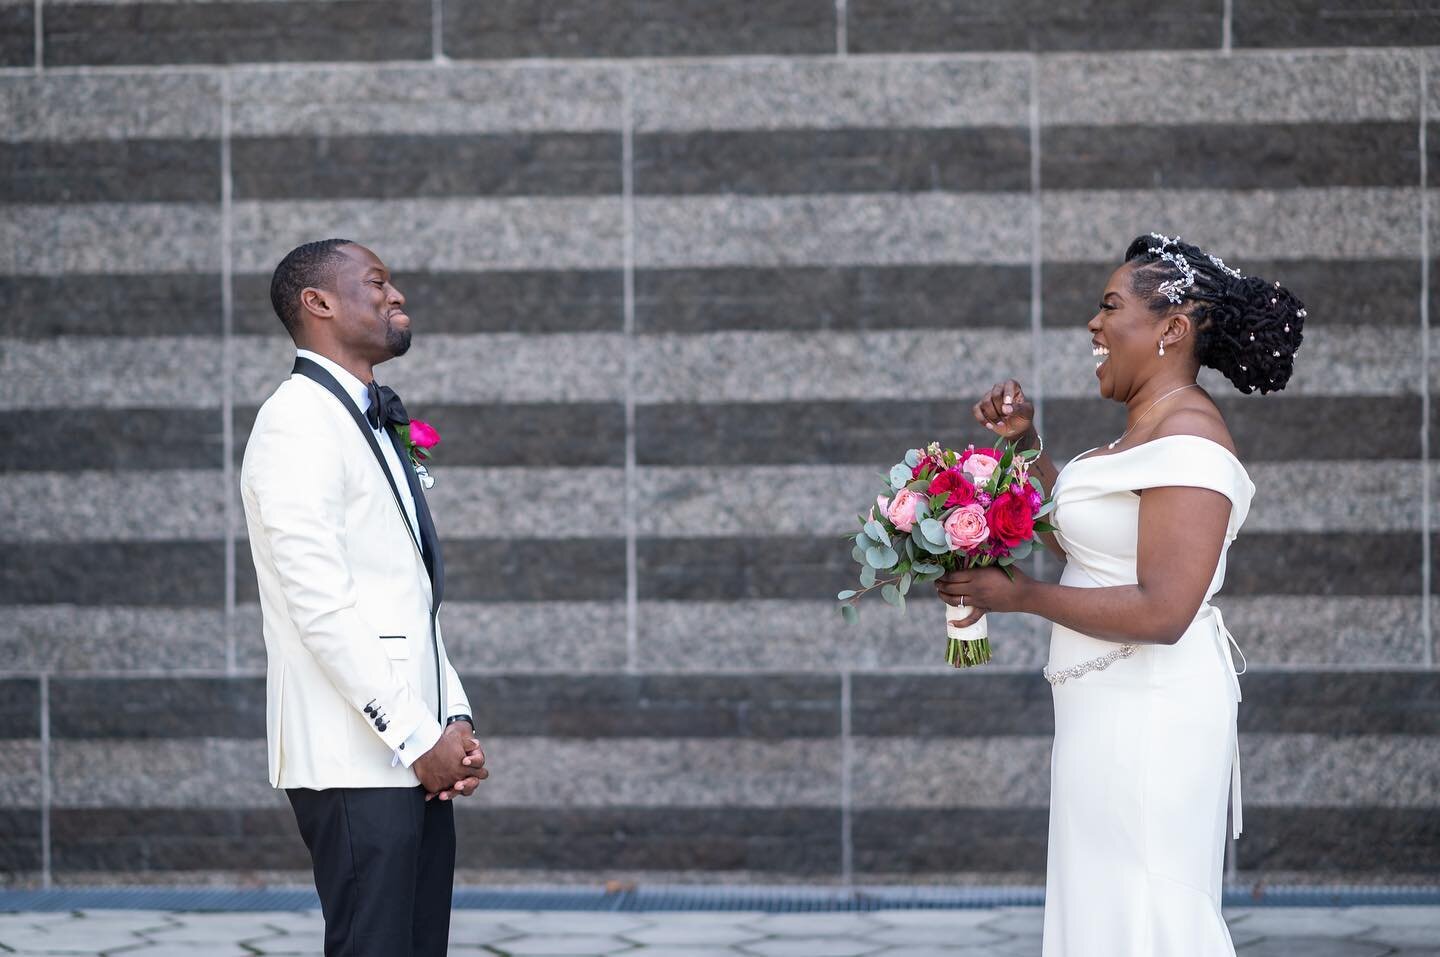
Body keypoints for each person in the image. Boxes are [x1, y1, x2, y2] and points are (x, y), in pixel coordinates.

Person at [937, 233, 1306, 955]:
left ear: (1171, 328)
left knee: (1148, 909)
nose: (1093, 325)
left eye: (1111, 307)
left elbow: (1165, 610)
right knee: (1105, 907)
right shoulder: (1139, 433)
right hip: (1105, 712)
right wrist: (1022, 443)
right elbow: (1086, 544)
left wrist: (1019, 596)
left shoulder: (1192, 438)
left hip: (1154, 714)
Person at [240, 239, 487, 957]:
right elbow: (322, 605)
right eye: (377, 282)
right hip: (353, 754)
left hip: (412, 747)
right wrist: (418, 737)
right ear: (318, 303)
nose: (396, 295)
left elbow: (405, 596)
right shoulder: (295, 424)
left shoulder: (365, 419)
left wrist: (453, 717)